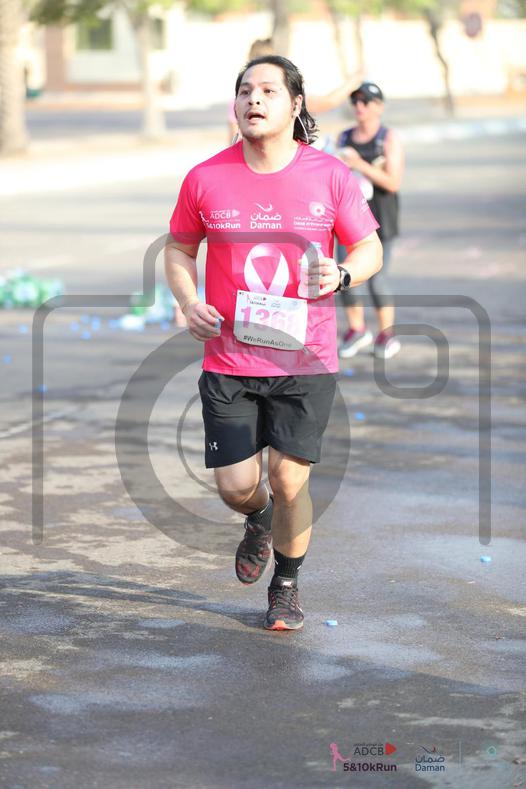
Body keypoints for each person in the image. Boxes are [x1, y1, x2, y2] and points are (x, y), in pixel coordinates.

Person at [165, 55, 382, 631]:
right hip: (229, 358)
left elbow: (370, 248)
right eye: (244, 91)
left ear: (295, 104)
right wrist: (189, 301)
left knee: (289, 478)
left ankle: (285, 585)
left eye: (267, 90)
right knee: (237, 487)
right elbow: (179, 249)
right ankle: (256, 518)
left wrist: (343, 273)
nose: (253, 100)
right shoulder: (205, 177)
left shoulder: (329, 175)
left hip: (306, 359)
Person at [335, 81, 404, 360]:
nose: (359, 106)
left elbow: (393, 182)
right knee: (344, 275)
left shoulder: (387, 138)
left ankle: (386, 334)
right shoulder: (344, 138)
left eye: (365, 101)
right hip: (348, 218)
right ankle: (357, 330)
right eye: (355, 101)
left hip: (381, 218)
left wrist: (359, 164)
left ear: (379, 107)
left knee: (377, 280)